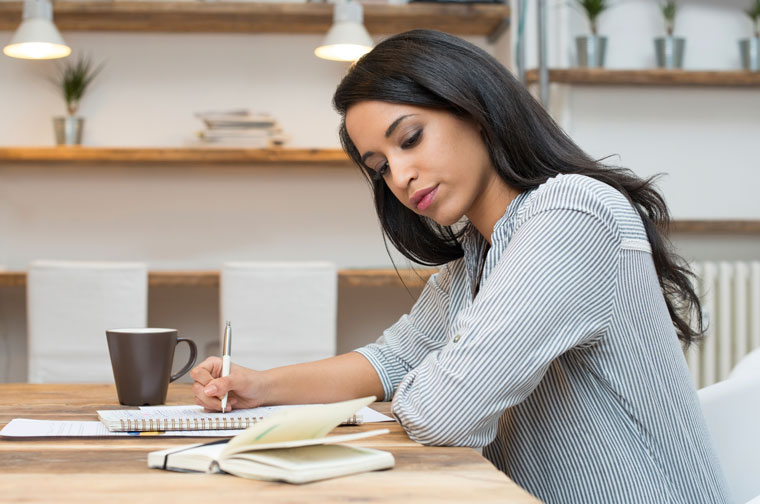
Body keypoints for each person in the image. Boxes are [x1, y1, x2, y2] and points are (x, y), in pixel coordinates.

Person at [191, 30, 731, 503]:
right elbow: (391, 360)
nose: (399, 176)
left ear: (474, 109)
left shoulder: (572, 216)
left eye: (410, 139)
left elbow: (444, 411)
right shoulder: (478, 256)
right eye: (380, 168)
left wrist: (432, 379)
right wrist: (259, 386)